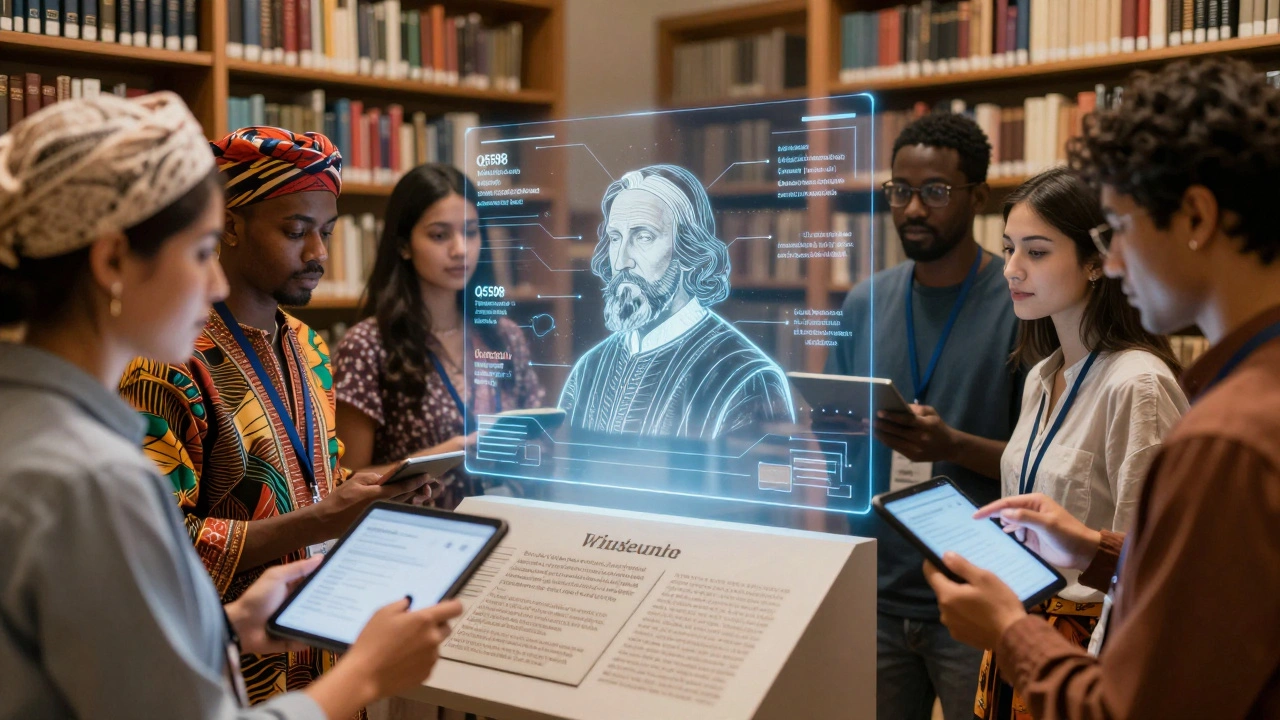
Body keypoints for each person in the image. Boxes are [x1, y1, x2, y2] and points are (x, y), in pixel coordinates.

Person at [0, 92, 461, 719]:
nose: (213, 281)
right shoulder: (95, 476)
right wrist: (364, 677)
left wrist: (233, 624)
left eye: (325, 233)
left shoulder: (304, 345)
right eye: (199, 252)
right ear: (111, 260)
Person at [924, 57, 1280, 719]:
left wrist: (1009, 632)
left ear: (1196, 215)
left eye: (1119, 228)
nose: (1112, 262)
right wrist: (1097, 550)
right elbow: (1213, 596)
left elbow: (1137, 707)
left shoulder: (1229, 434)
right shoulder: (1246, 394)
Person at [118, 126, 431, 713]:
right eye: (296, 231)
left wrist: (365, 497)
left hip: (329, 663)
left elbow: (309, 486)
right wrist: (320, 517)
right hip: (230, 680)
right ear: (229, 226)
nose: (319, 254)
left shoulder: (309, 347)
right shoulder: (167, 363)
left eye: (328, 233)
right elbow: (160, 548)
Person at [909, 167, 1188, 719]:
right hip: (1017, 630)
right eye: (1009, 249)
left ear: (1094, 260)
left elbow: (1150, 563)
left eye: (1036, 252)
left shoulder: (1138, 382)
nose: (1011, 269)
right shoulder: (1041, 376)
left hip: (1087, 648)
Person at [824, 112, 1024, 720]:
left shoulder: (1020, 307)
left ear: (978, 197)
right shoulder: (865, 301)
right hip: (876, 589)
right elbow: (843, 445)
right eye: (899, 191)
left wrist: (951, 443)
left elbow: (1040, 464)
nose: (913, 208)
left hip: (976, 591)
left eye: (935, 192)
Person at [333, 163, 545, 509]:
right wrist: (442, 455)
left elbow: (541, 439)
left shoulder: (504, 335)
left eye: (471, 232)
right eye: (439, 235)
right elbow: (346, 484)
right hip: (414, 538)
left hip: (507, 526)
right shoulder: (367, 345)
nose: (460, 249)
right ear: (403, 244)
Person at [558, 163, 794, 439]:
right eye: (615, 238)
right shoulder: (589, 368)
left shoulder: (746, 378)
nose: (621, 261)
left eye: (643, 237)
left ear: (688, 249)